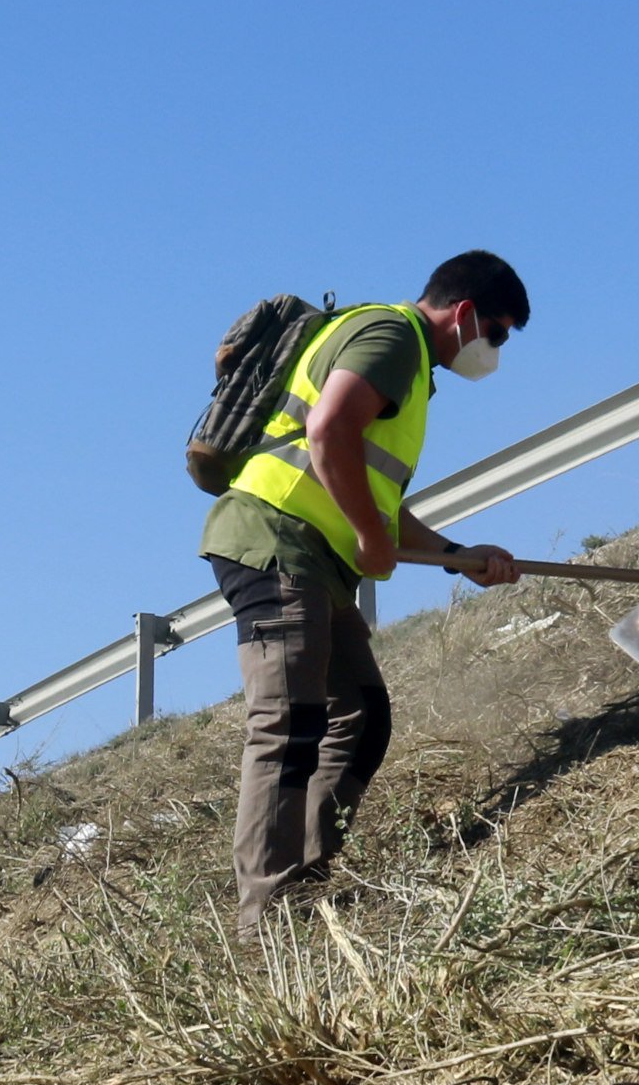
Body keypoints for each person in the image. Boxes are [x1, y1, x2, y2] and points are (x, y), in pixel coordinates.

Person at [198, 253, 529, 926]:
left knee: (362, 718)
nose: (494, 351)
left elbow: (371, 486)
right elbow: (327, 434)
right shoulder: (392, 339)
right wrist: (368, 535)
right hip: (275, 541)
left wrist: (456, 555)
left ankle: (308, 881)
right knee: (289, 724)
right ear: (465, 314)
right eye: (497, 333)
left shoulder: (403, 363)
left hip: (313, 558)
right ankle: (267, 921)